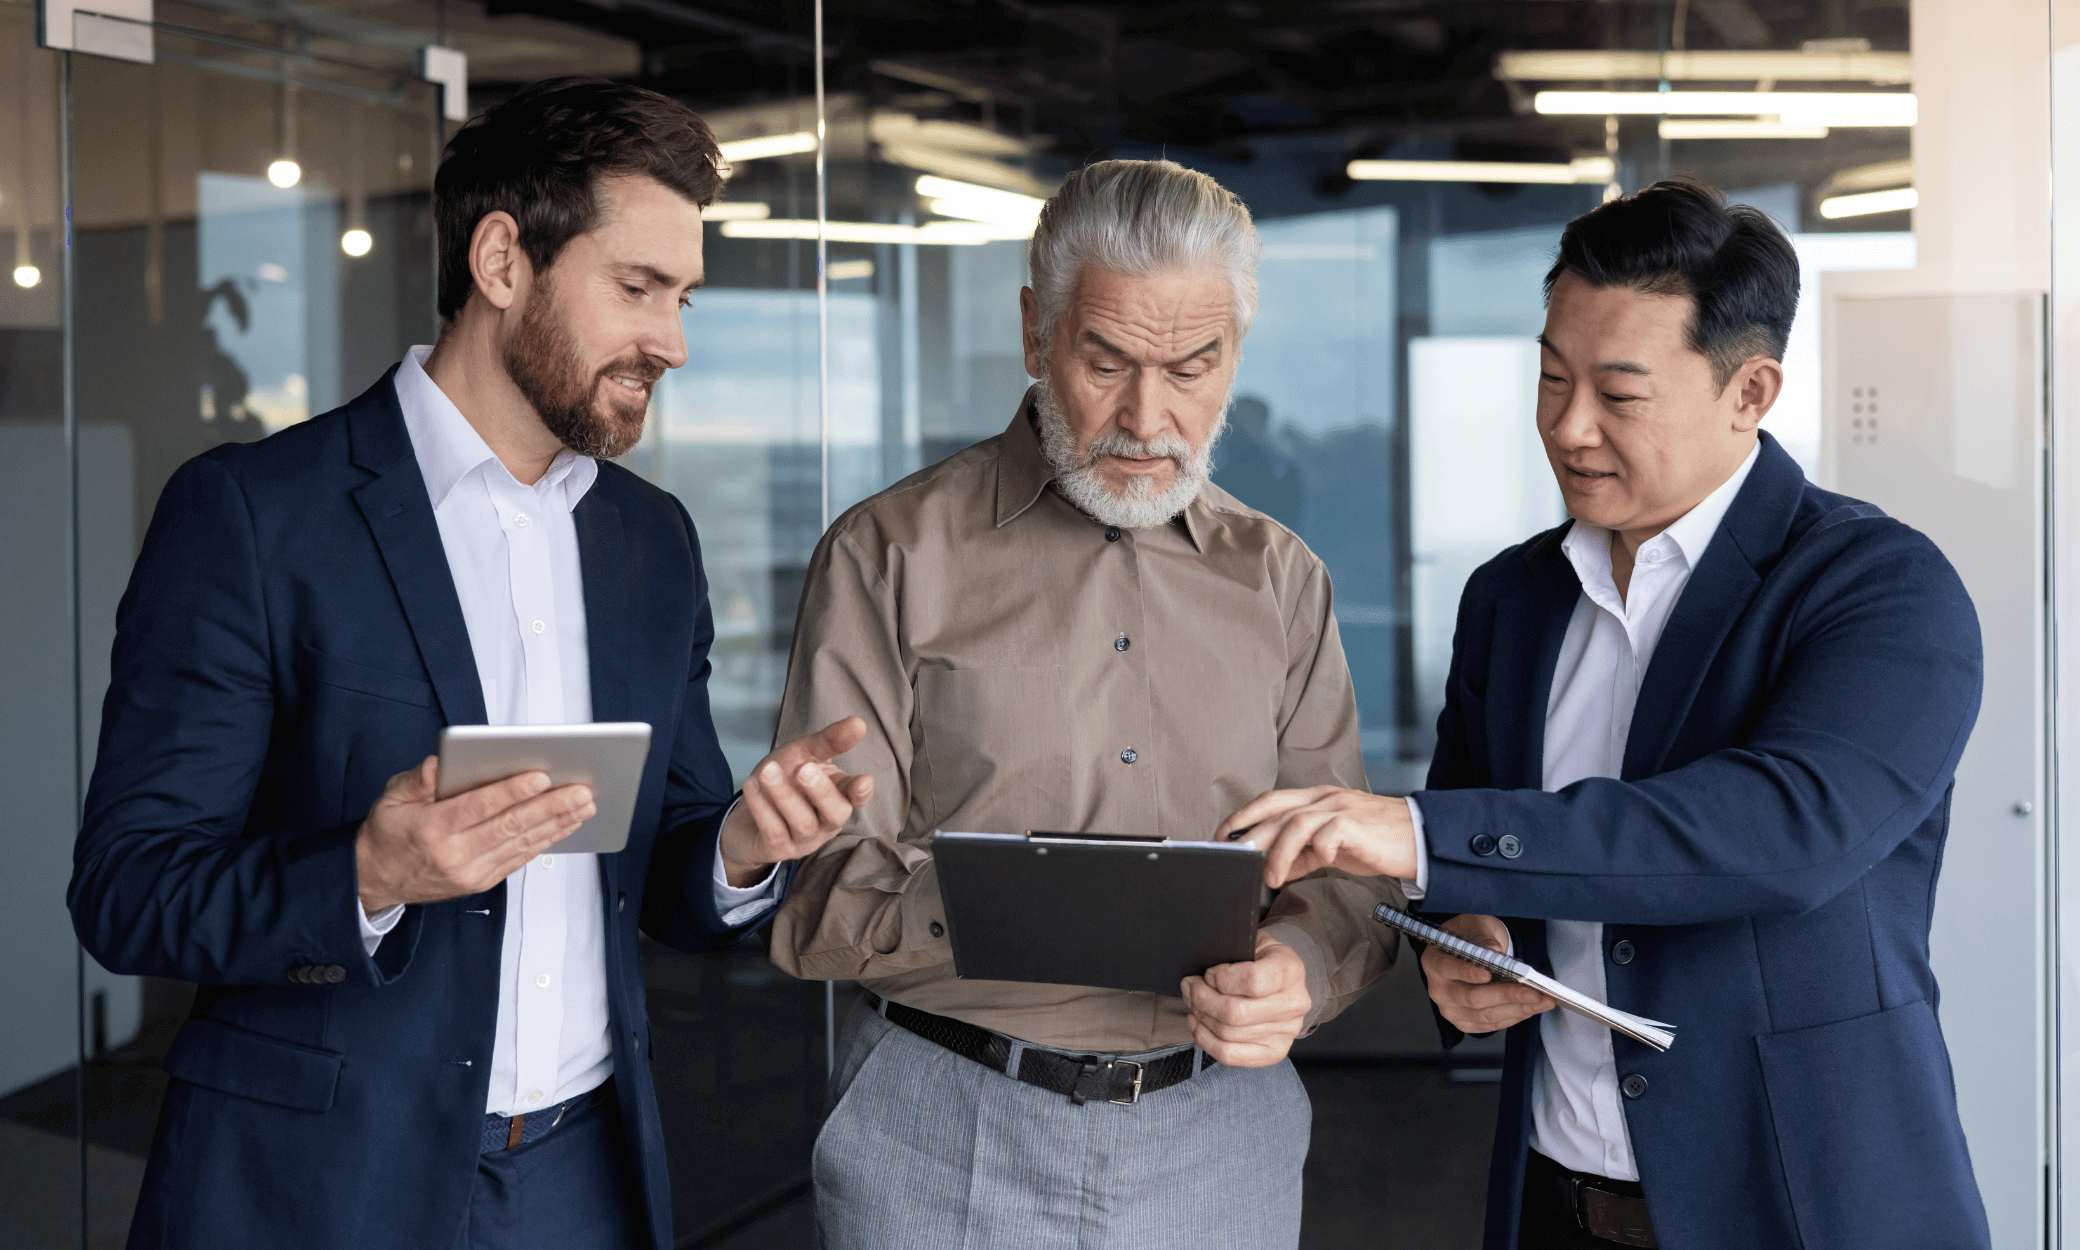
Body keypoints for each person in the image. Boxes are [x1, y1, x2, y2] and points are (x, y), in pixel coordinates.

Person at [68, 78, 871, 1250]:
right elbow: (128, 888)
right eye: (639, 288)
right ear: (503, 261)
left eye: (684, 296)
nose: (675, 342)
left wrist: (744, 844)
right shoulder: (253, 514)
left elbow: (667, 859)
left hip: (582, 1178)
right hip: (318, 1183)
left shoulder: (652, 542)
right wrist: (367, 871)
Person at [1218, 179, 1989, 1249]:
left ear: (1750, 390)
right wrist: (1461, 938)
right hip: (1554, 1204)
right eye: (1549, 377)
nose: (1567, 426)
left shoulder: (1880, 588)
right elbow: (1473, 849)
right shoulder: (1511, 597)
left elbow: (1776, 831)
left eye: (1618, 395)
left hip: (1805, 1207)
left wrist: (1416, 835)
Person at [764, 159, 1402, 1250]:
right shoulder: (886, 555)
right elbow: (819, 902)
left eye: (1192, 366)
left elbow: (1340, 881)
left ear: (1233, 356)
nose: (1146, 416)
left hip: (1220, 1130)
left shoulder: (1281, 578)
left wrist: (1296, 967)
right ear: (1034, 333)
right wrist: (1025, 904)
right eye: (1104, 360)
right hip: (943, 1126)